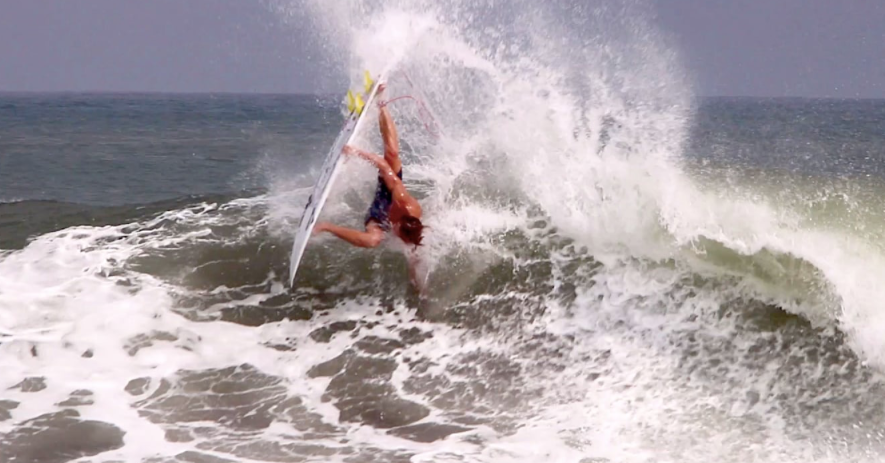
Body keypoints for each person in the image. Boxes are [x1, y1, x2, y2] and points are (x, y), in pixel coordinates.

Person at [313, 84, 427, 291]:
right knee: (391, 154)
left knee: (373, 240)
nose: (395, 233)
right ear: (402, 220)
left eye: (399, 234)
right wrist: (356, 152)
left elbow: (414, 262)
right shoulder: (404, 202)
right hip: (387, 194)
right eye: (398, 230)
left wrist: (419, 288)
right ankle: (381, 104)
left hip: (377, 216)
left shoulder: (409, 238)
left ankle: (326, 226)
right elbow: (383, 165)